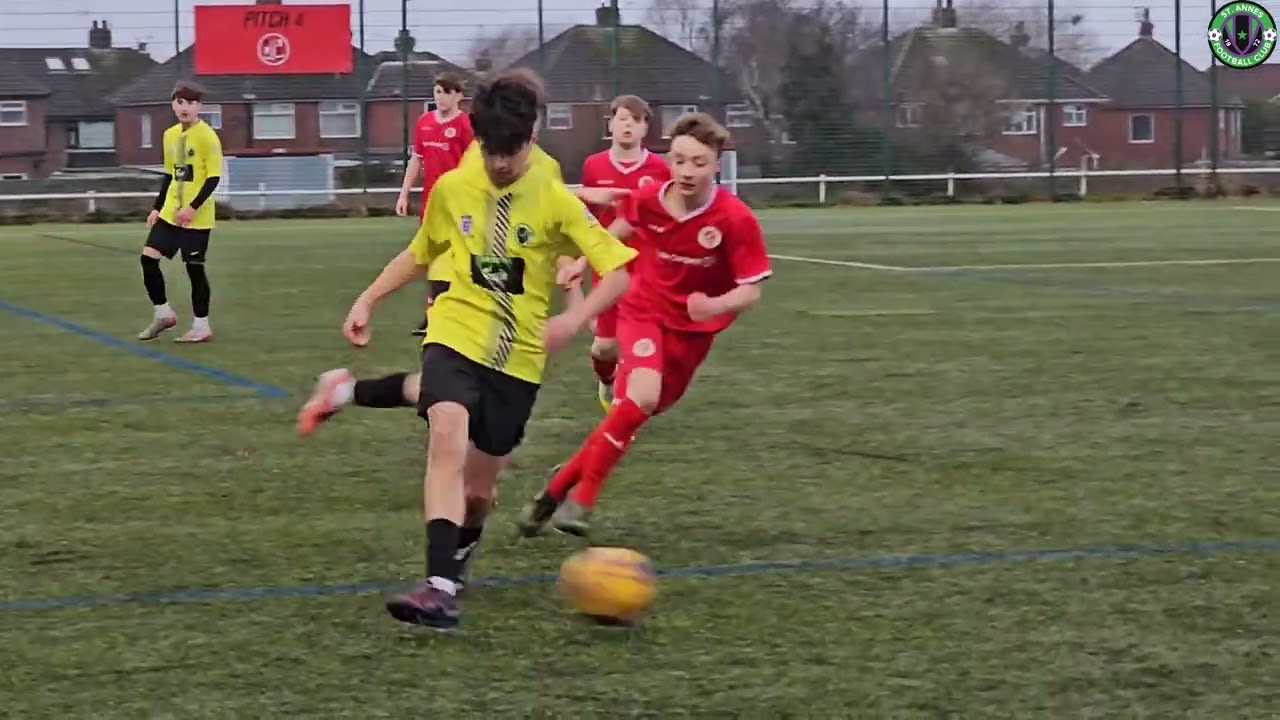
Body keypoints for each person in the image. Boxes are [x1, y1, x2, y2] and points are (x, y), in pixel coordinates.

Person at [297, 69, 637, 630]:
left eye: (511, 150)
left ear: (531, 137)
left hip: (520, 355)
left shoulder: (551, 191)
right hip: (455, 329)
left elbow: (618, 269)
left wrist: (573, 320)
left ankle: (453, 556)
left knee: (480, 494)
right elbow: (421, 249)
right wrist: (368, 298)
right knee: (446, 431)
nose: (500, 163)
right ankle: (436, 586)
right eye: (490, 149)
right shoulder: (456, 187)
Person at [517, 112, 772, 538]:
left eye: (699, 163)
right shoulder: (651, 198)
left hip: (691, 333)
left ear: (716, 165)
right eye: (679, 160)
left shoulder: (734, 218)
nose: (687, 171)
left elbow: (751, 290)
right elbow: (616, 230)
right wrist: (581, 261)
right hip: (642, 310)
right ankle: (581, 502)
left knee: (632, 414)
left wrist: (713, 305)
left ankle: (553, 492)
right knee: (641, 395)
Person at [580, 95, 671, 411]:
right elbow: (584, 216)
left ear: (645, 127)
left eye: (635, 120)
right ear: (611, 125)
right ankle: (607, 380)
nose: (627, 126)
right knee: (605, 347)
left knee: (638, 340)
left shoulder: (660, 168)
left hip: (646, 267)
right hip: (608, 266)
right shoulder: (594, 165)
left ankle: (626, 404)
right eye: (621, 119)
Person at [137, 80, 223, 343]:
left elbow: (213, 178)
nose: (185, 107)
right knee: (148, 258)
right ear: (173, 104)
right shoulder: (170, 135)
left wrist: (192, 208)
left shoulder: (208, 136)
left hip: (197, 218)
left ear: (199, 106)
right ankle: (163, 313)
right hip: (169, 214)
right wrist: (157, 208)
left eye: (191, 103)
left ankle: (201, 326)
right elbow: (170, 175)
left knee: (194, 269)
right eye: (180, 102)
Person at [395, 72, 473, 337]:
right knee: (434, 257)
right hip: (432, 202)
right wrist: (404, 193)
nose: (441, 97)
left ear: (459, 96)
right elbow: (416, 160)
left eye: (447, 92)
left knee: (460, 256)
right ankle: (435, 314)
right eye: (438, 91)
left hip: (460, 202)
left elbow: (473, 164)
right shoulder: (425, 122)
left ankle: (457, 312)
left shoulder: (464, 125)